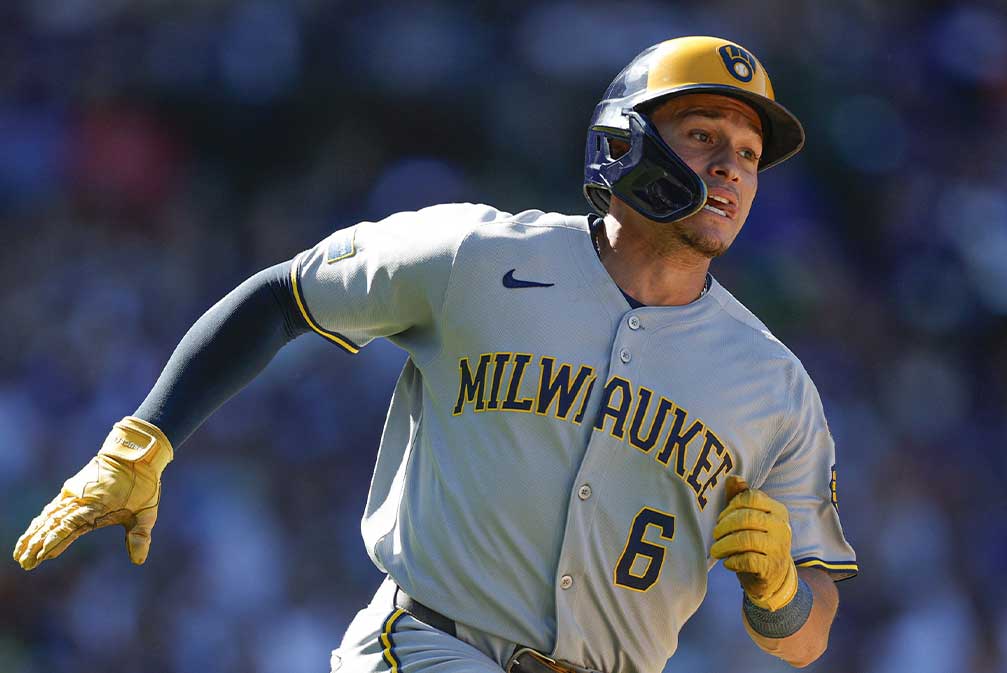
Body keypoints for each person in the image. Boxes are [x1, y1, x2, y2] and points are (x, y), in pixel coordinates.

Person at [13, 36, 857, 673]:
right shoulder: (475, 256)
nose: (732, 169)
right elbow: (284, 296)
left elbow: (808, 631)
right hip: (424, 647)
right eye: (705, 134)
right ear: (627, 141)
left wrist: (780, 591)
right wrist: (145, 439)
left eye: (748, 155)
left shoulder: (774, 385)